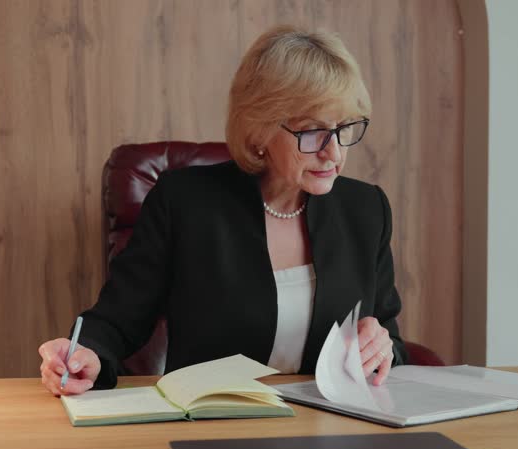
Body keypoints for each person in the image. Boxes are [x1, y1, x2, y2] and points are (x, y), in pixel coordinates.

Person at [38, 25, 407, 396]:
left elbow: (390, 340)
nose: (335, 152)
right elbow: (117, 320)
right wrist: (84, 356)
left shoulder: (366, 210)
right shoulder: (184, 203)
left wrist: (381, 348)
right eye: (312, 131)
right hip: (215, 418)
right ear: (260, 129)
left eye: (345, 127)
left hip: (329, 424)